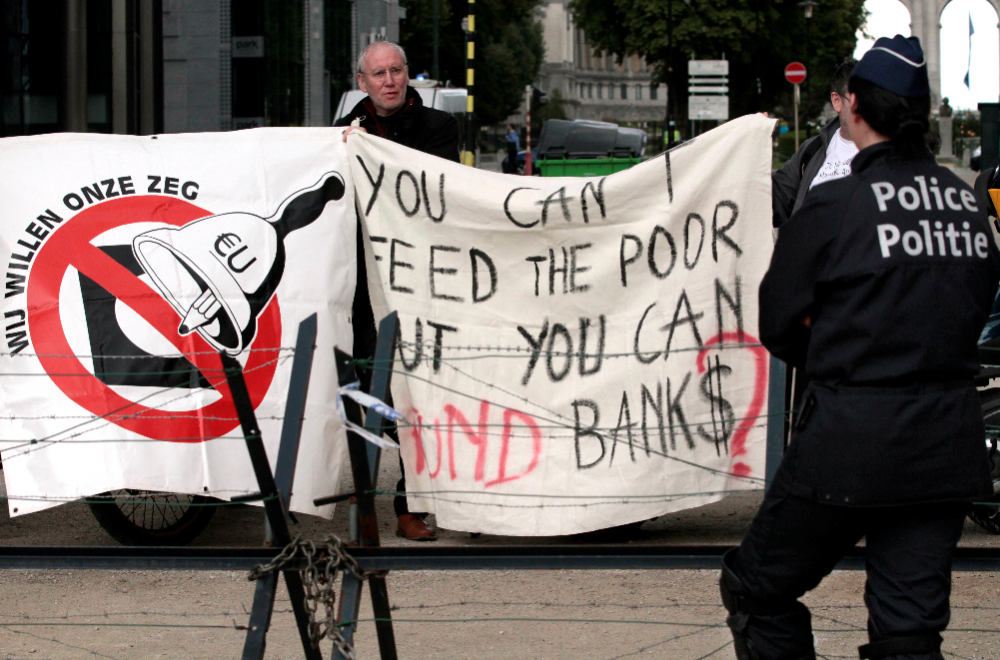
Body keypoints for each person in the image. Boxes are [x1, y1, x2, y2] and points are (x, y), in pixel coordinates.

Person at [720, 35, 1000, 660]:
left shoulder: (834, 205)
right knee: (908, 632)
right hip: (946, 449)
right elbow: (972, 309)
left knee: (756, 588)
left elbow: (777, 323)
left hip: (850, 444)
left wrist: (844, 355)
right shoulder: (965, 205)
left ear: (855, 112)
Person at [337, 41, 460, 541]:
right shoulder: (342, 135)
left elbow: (440, 190)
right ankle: (366, 499)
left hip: (420, 280)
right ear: (361, 82)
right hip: (363, 286)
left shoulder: (438, 128)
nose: (389, 80)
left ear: (408, 75)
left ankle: (411, 504)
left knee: (419, 392)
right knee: (366, 391)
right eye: (378, 74)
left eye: (396, 71)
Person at [772, 58, 858, 228]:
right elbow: (774, 201)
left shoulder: (889, 152)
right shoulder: (813, 150)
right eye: (858, 101)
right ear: (837, 101)